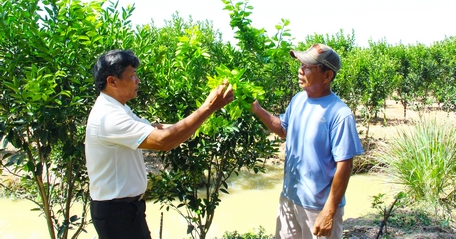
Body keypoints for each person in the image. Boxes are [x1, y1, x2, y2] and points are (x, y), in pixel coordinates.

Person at [85, 49, 234, 239]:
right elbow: (163, 141)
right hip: (117, 213)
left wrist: (203, 123)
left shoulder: (119, 108)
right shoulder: (109, 117)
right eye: (132, 76)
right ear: (112, 81)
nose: (138, 80)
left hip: (127, 209)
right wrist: (208, 107)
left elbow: (158, 129)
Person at [251, 44, 364, 239]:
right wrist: (258, 110)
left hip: (318, 208)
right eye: (301, 64)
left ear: (327, 76)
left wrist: (329, 211)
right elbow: (283, 129)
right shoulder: (298, 100)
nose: (300, 70)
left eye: (308, 67)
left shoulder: (340, 114)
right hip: (290, 198)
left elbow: (344, 166)